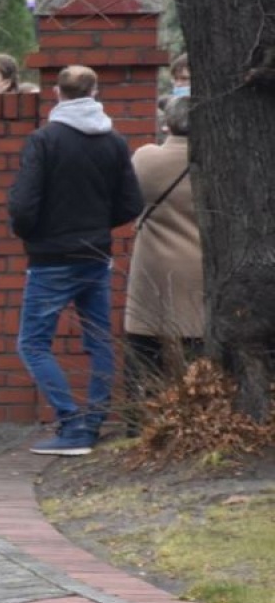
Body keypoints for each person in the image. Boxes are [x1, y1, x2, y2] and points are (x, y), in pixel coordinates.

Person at [9, 65, 144, 455]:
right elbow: (131, 203)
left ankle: (71, 425)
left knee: (33, 343)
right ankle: (95, 421)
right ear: (94, 92)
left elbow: (24, 204)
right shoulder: (114, 142)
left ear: (57, 92)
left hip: (51, 257)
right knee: (99, 340)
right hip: (95, 254)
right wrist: (98, 227)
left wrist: (31, 234)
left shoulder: (44, 140)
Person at [123, 95, 202, 431]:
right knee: (196, 345)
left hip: (153, 267)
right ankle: (194, 418)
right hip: (199, 265)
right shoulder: (217, 163)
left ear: (167, 123)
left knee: (144, 347)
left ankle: (138, 422)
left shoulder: (146, 158)